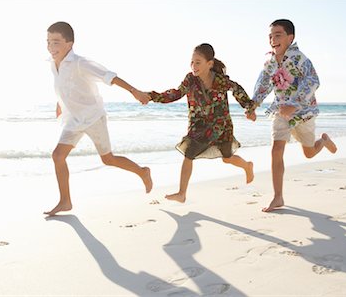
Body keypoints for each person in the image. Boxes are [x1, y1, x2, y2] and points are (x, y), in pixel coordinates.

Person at [44, 21, 152, 216]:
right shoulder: (53, 64)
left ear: (70, 43)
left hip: (93, 118)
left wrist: (135, 92)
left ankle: (142, 171)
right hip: (73, 120)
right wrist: (60, 104)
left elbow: (109, 76)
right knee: (58, 156)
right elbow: (64, 87)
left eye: (56, 42)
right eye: (49, 42)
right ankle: (65, 201)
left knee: (108, 159)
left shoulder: (80, 63)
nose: (51, 47)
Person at [144, 43, 256, 203]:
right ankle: (182, 193)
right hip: (198, 126)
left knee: (227, 157)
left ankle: (247, 166)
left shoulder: (220, 81)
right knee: (189, 153)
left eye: (198, 62)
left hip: (220, 125)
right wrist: (151, 96)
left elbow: (237, 89)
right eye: (192, 62)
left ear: (209, 64)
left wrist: (249, 108)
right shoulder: (190, 80)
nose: (193, 66)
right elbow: (175, 94)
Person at [247, 19, 337, 212]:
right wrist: (253, 105)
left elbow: (313, 81)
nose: (273, 39)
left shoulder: (299, 58)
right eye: (270, 36)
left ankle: (323, 141)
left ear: (290, 37)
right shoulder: (270, 61)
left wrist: (295, 104)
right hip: (280, 111)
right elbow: (263, 84)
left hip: (303, 112)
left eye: (278, 35)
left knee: (309, 152)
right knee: (276, 148)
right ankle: (278, 197)